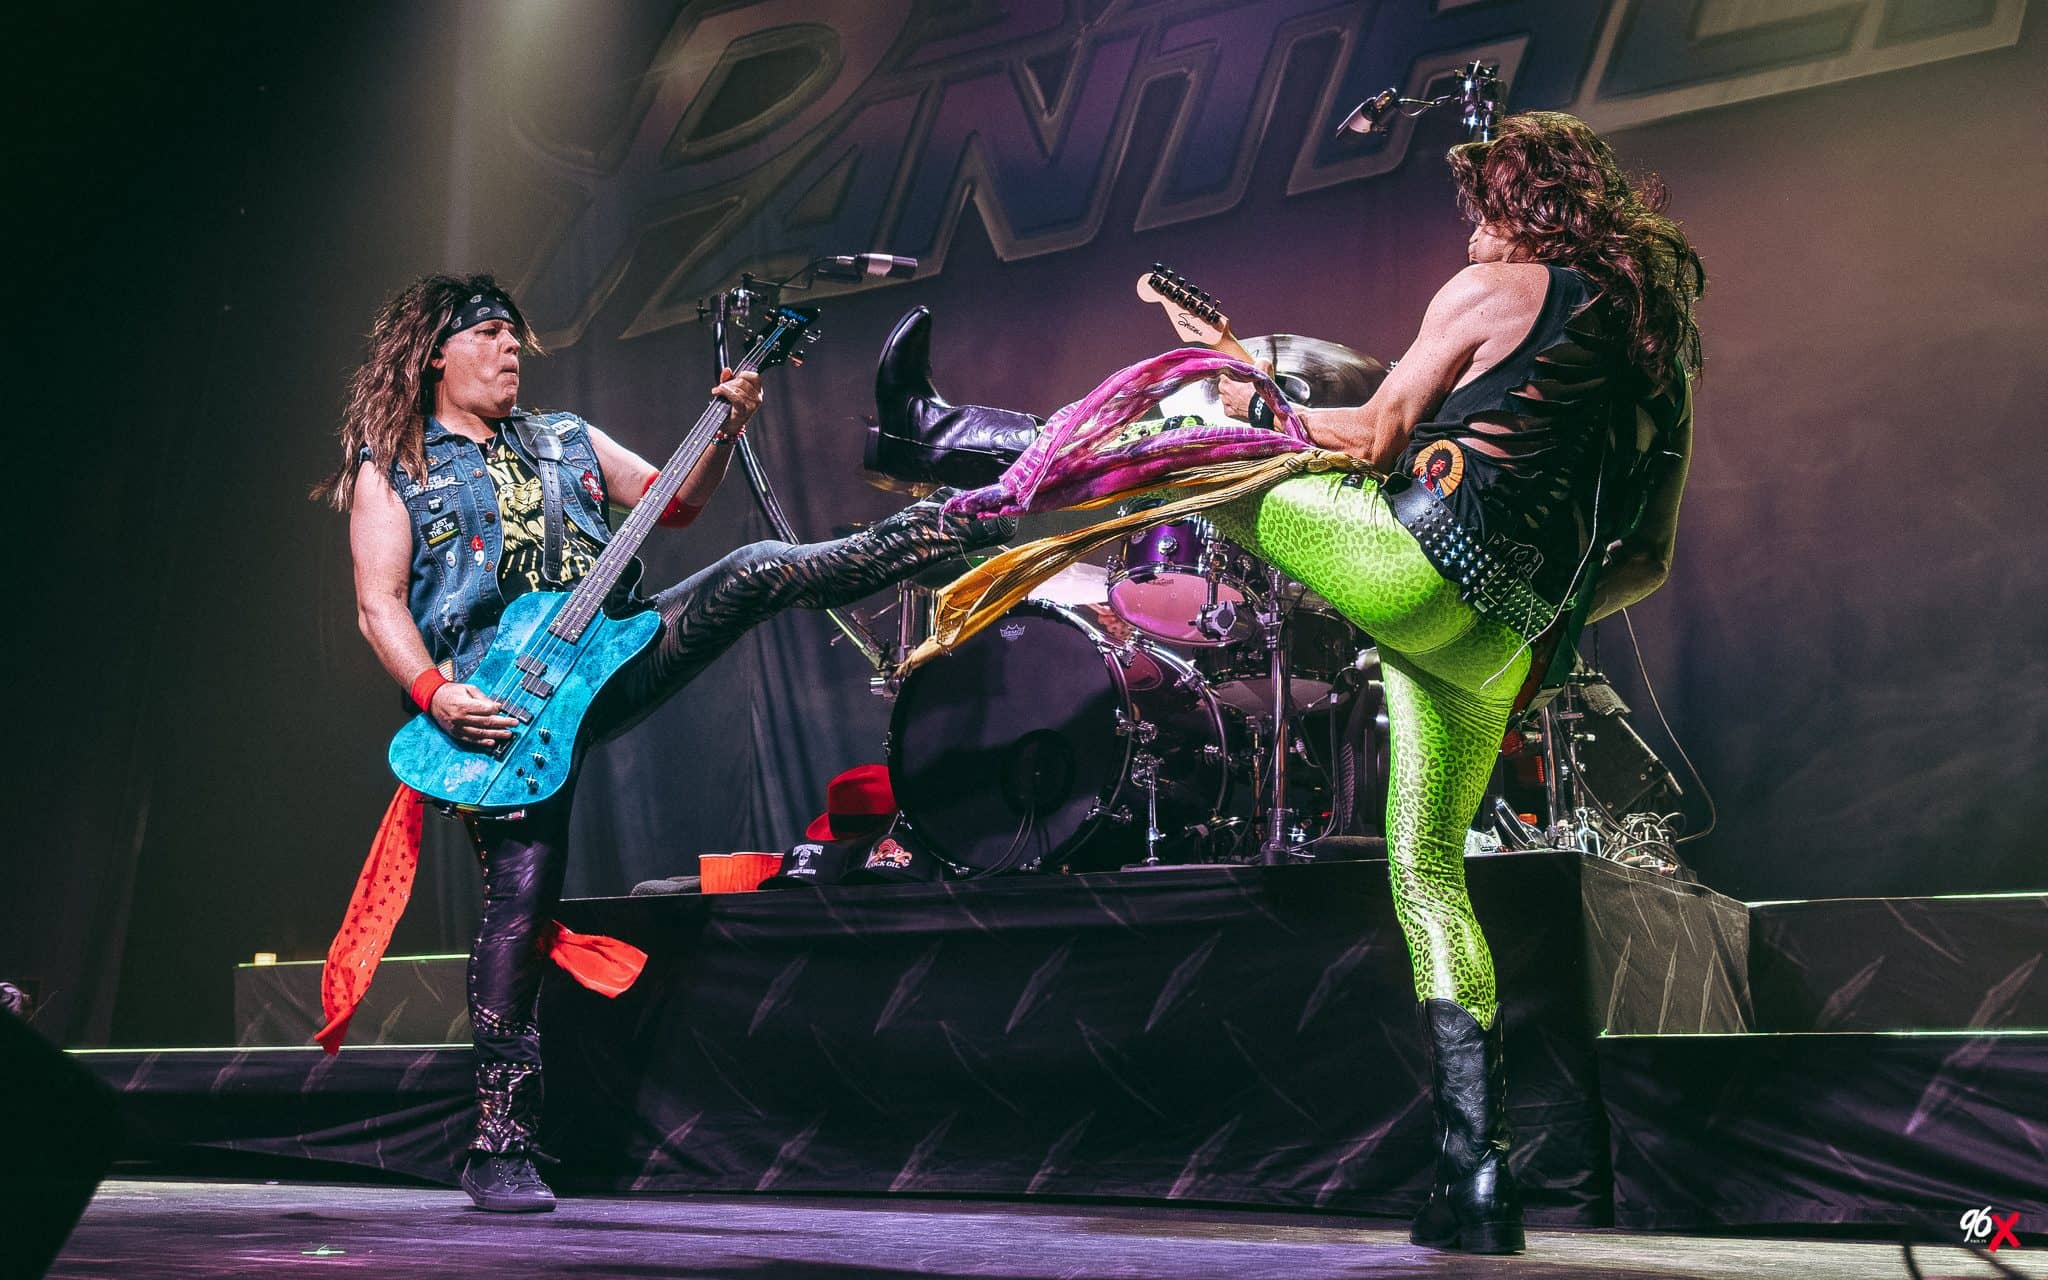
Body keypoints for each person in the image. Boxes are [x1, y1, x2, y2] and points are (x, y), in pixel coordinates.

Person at [873, 110, 1701, 1254]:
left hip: (1416, 567)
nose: (1468, 233)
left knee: (1183, 440)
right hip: (1503, 644)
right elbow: (1645, 560)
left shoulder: (1494, 287)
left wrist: (1252, 410)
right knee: (1427, 875)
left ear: (1519, 206)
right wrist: (1524, 636)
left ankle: (941, 433)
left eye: (1478, 210)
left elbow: (1373, 437)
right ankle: (1476, 1182)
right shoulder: (1659, 363)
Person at [312, 273, 1013, 1212]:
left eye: (515, 334)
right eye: (489, 333)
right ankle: (498, 1143)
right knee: (522, 896)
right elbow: (379, 603)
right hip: (498, 716)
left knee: (754, 568)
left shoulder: (564, 438)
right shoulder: (394, 467)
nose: (511, 348)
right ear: (437, 352)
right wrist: (437, 696)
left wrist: (726, 427)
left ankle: (938, 528)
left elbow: (671, 501)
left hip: (610, 654)